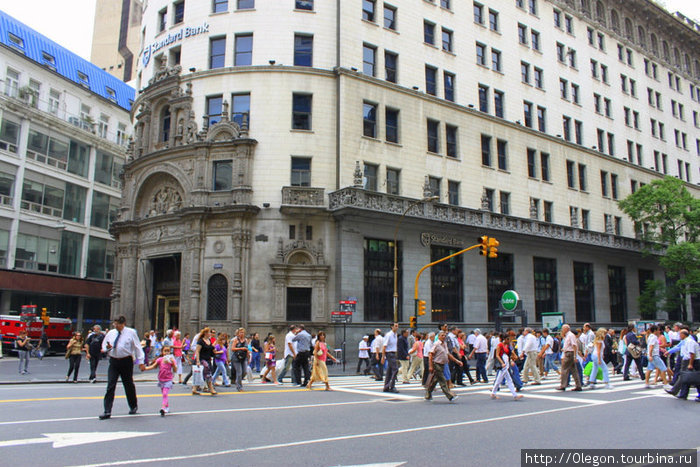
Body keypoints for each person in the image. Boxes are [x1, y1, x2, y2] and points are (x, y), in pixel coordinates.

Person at [99, 316, 146, 419]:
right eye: (114, 324)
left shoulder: (131, 332)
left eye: (118, 324)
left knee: (128, 384)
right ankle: (107, 411)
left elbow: (138, 347)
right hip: (114, 361)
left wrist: (141, 362)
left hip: (126, 361)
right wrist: (106, 349)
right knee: (111, 385)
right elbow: (104, 345)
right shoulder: (111, 333)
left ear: (123, 323)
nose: (116, 326)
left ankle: (133, 406)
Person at [425, 331, 461, 401]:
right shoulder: (436, 344)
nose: (444, 337)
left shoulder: (444, 344)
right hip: (437, 364)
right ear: (438, 337)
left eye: (444, 335)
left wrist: (457, 361)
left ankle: (428, 394)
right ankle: (450, 396)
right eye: (442, 335)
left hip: (443, 364)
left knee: (435, 380)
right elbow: (430, 354)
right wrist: (430, 366)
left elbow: (448, 354)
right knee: (442, 380)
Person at [664, 329, 700, 401]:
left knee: (694, 378)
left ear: (684, 334)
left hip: (692, 361)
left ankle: (676, 391)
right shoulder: (684, 341)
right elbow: (677, 347)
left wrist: (690, 364)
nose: (679, 336)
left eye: (680, 334)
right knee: (686, 377)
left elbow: (692, 354)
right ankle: (682, 393)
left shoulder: (690, 341)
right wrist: (669, 351)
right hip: (686, 360)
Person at [144, 345, 178, 416]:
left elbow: (175, 370)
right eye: (165, 351)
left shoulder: (172, 360)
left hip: (168, 379)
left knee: (165, 393)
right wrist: (145, 368)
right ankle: (167, 407)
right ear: (162, 352)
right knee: (164, 394)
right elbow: (153, 366)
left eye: (168, 351)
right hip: (161, 379)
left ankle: (163, 408)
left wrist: (173, 363)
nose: (166, 353)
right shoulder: (160, 360)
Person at [490, 334, 524, 400]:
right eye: (508, 339)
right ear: (504, 339)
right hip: (503, 364)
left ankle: (494, 393)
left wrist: (512, 359)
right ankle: (514, 395)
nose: (509, 340)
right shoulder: (500, 345)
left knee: (505, 379)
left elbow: (510, 354)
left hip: (506, 363)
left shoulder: (508, 346)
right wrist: (502, 363)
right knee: (501, 379)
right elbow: (497, 355)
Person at [557, 324, 582, 391]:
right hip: (569, 353)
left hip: (569, 353)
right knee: (574, 370)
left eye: (563, 329)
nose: (562, 330)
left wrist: (575, 356)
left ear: (566, 329)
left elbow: (574, 345)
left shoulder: (570, 335)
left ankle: (563, 385)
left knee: (564, 369)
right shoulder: (568, 335)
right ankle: (578, 385)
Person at [193, 327, 216, 396]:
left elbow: (211, 350)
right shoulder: (200, 341)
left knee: (200, 375)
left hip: (208, 359)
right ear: (205, 333)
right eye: (209, 332)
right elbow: (197, 351)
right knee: (207, 372)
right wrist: (197, 361)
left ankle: (194, 389)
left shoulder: (209, 341)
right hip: (202, 359)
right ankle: (211, 388)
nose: (210, 334)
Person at [382, 322, 400, 393]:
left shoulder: (395, 335)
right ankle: (392, 386)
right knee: (395, 369)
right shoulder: (388, 335)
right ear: (392, 327)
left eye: (397, 326)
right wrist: (383, 357)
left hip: (393, 353)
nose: (397, 327)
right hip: (389, 353)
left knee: (389, 371)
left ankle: (386, 387)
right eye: (395, 326)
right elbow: (384, 346)